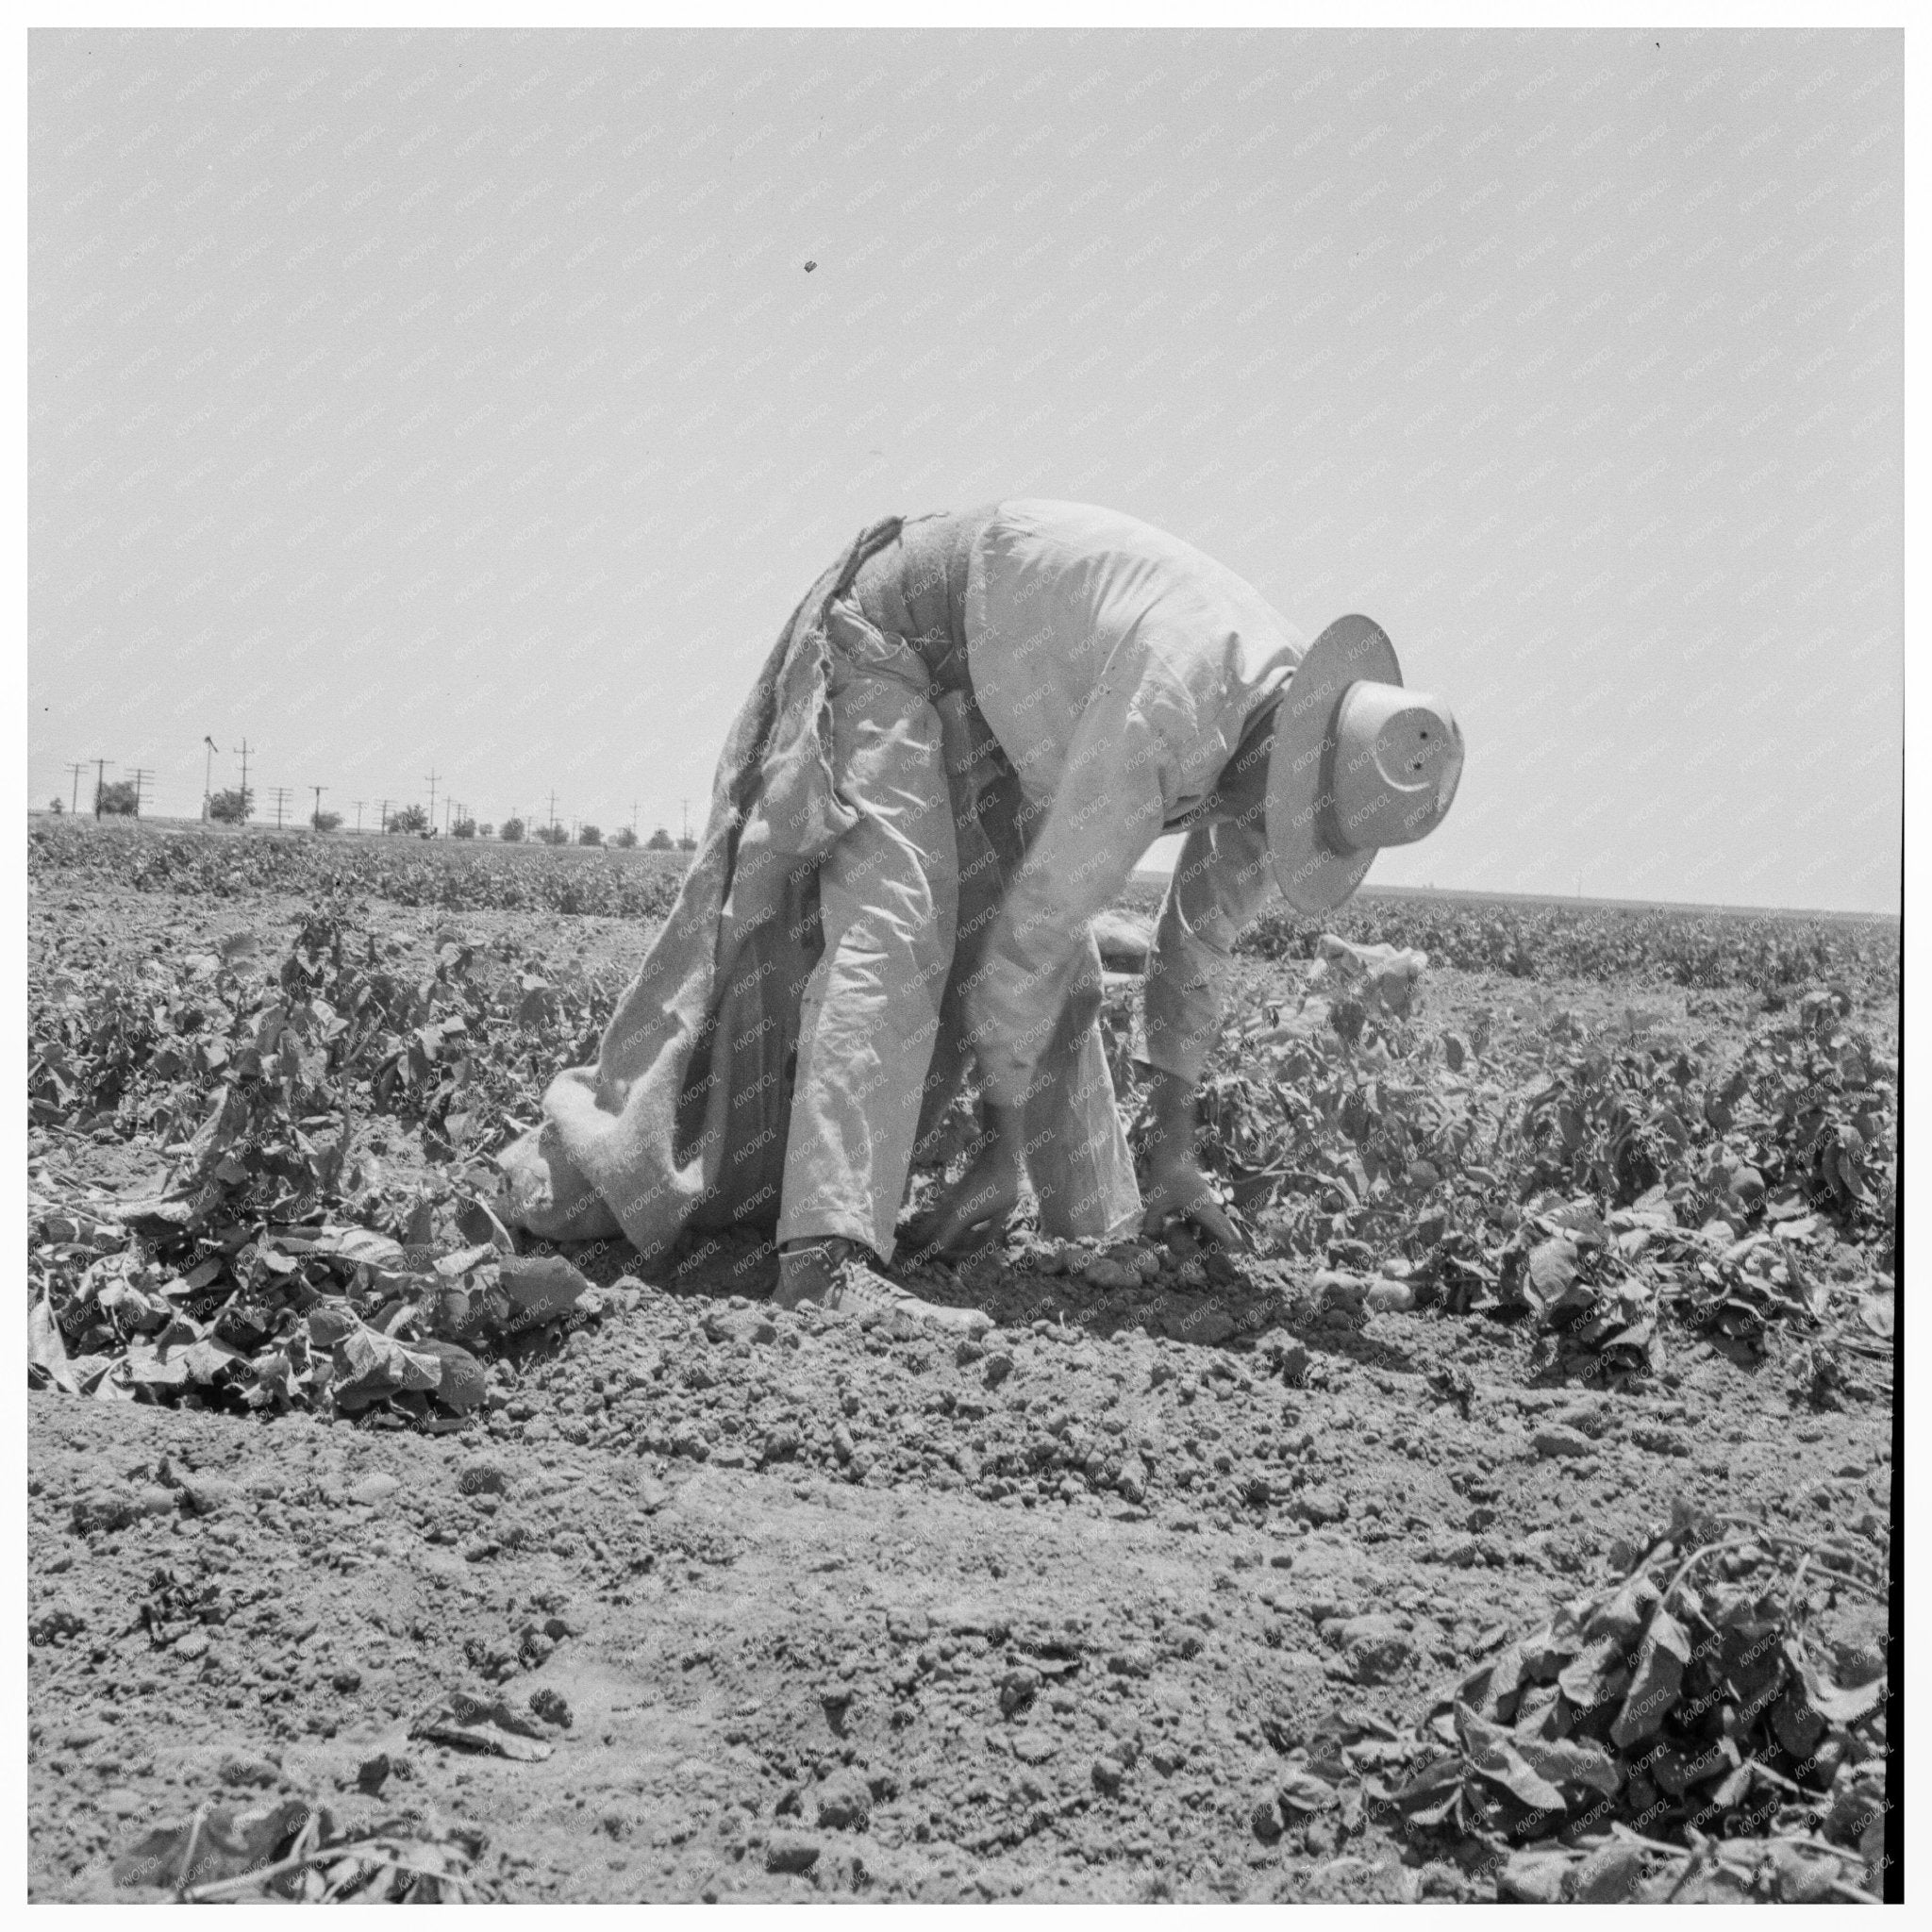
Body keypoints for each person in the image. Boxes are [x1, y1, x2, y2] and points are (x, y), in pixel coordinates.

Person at [498, 501, 1463, 1337]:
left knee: (1072, 983)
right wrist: (998, 1153)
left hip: (1006, 695)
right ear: (1294, 744)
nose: (1269, 832)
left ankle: (1109, 1235)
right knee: (896, 922)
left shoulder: (1288, 778)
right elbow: (1036, 929)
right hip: (897, 634)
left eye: (1298, 833)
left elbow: (1191, 951)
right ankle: (822, 1261)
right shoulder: (1174, 699)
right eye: (1281, 813)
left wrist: (1176, 1153)